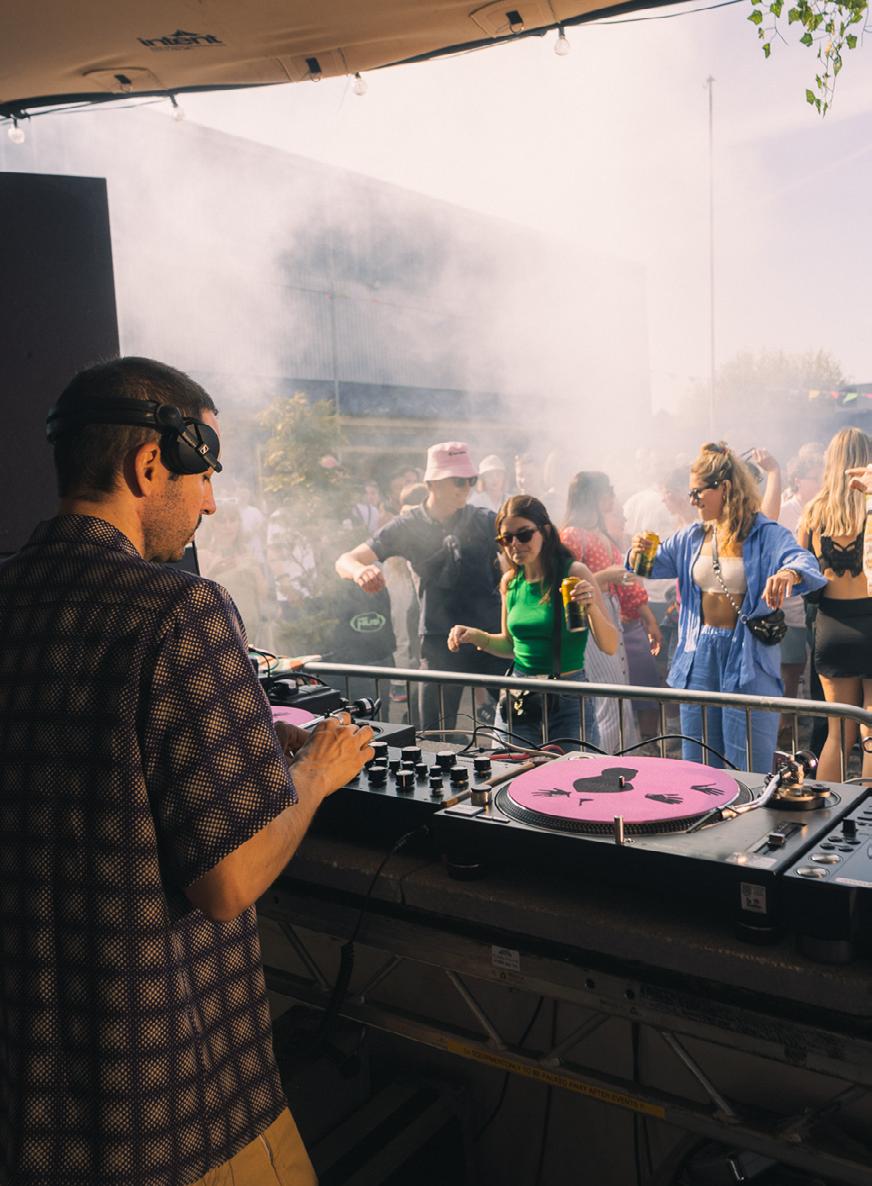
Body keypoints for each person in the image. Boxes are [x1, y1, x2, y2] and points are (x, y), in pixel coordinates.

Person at [0, 357, 373, 1186]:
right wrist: (316, 772)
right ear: (148, 465)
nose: (210, 502)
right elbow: (228, 881)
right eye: (205, 475)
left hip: (31, 1107)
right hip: (175, 1114)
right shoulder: (180, 610)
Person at [628, 441, 826, 773]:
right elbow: (647, 566)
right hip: (697, 654)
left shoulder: (764, 533)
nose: (692, 501)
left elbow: (804, 561)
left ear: (725, 487)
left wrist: (787, 573)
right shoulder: (692, 536)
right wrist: (637, 552)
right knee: (699, 765)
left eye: (697, 492)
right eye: (689, 494)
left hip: (747, 656)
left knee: (748, 763)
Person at [335, 441, 504, 732]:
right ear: (432, 483)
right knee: (435, 735)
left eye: (471, 480)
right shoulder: (408, 525)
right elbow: (345, 560)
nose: (467, 487)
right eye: (459, 481)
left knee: (519, 727)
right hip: (440, 642)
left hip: (490, 638)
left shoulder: (485, 520)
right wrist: (361, 571)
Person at [448, 495, 616, 748]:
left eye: (524, 535)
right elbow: (510, 646)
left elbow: (610, 645)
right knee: (510, 770)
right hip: (520, 694)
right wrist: (475, 636)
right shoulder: (510, 582)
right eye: (506, 539)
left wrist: (591, 607)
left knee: (570, 772)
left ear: (545, 531)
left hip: (568, 696)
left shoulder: (573, 573)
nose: (515, 544)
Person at [797, 427, 872, 781]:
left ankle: (829, 809)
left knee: (837, 733)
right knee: (870, 733)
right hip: (870, 622)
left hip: (831, 627)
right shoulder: (870, 509)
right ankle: (868, 812)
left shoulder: (813, 512)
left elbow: (800, 567)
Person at [561, 471, 646, 752]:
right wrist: (607, 575)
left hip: (610, 609)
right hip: (588, 615)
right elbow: (566, 586)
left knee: (619, 689)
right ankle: (605, 759)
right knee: (607, 692)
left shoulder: (601, 533)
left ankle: (623, 756)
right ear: (594, 496)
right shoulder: (573, 535)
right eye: (608, 490)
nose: (612, 495)